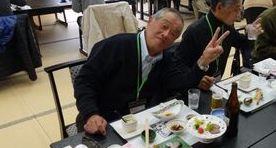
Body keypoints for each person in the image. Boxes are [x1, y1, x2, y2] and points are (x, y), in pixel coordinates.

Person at [74, 8, 228, 135]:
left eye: (174, 34)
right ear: (150, 21)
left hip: (141, 121)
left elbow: (180, 84)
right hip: (104, 121)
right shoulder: (115, 45)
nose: (167, 35)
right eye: (164, 26)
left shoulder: (166, 58)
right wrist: (91, 114)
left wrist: (203, 60)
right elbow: (84, 81)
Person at [174, 0, 262, 91]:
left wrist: (252, 35)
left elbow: (242, 44)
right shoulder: (194, 31)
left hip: (217, 85)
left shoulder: (227, 26)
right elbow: (178, 65)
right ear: (219, 7)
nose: (238, 14)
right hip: (195, 89)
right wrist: (198, 78)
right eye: (236, 9)